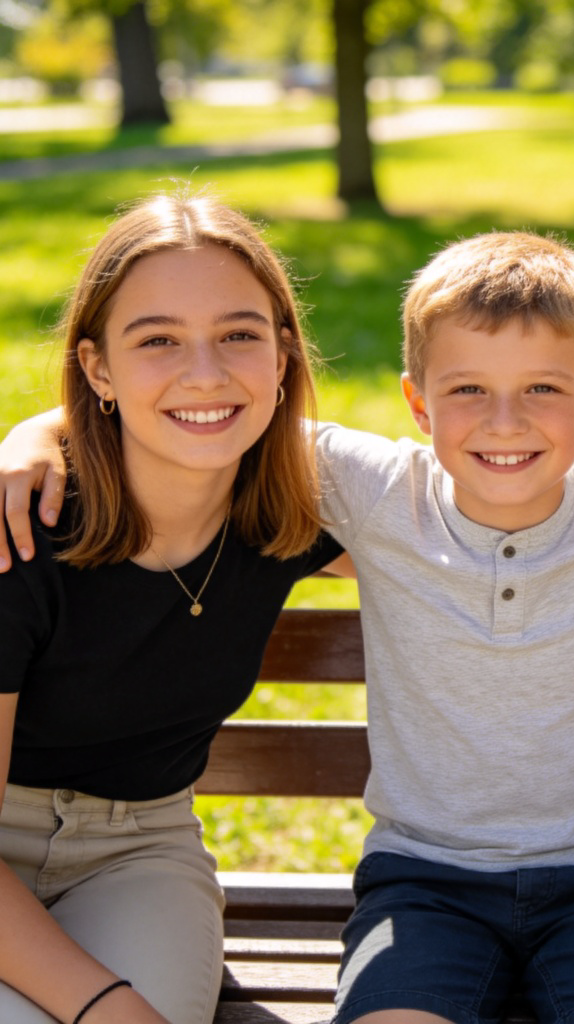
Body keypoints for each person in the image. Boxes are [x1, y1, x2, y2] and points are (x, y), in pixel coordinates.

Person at [1, 229, 574, 1024]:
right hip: (423, 882)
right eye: (469, 390)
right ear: (417, 401)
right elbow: (160, 411)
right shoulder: (362, 492)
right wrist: (33, 436)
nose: (505, 421)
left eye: (544, 391)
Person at [0, 192, 349, 1024]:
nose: (206, 371)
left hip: (138, 851)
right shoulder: (21, 533)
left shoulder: (293, 514)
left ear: (282, 357)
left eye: (239, 335)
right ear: (96, 367)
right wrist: (105, 1007)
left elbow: (505, 513)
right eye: (157, 340)